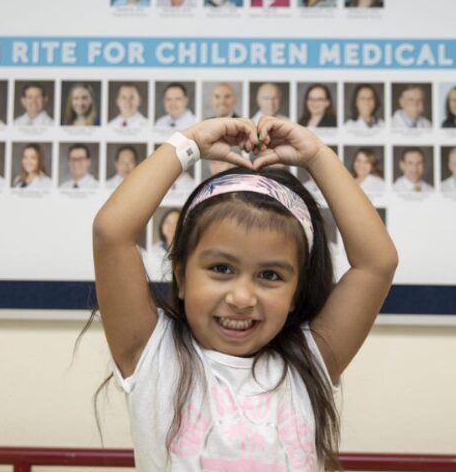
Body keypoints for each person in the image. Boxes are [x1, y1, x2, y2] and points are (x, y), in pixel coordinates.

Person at [92, 117, 397, 470]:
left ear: (296, 292)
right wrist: (188, 144)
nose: (242, 297)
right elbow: (111, 233)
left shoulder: (310, 360)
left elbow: (377, 263)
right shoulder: (153, 354)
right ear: (182, 275)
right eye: (221, 269)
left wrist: (319, 157)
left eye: (269, 275)